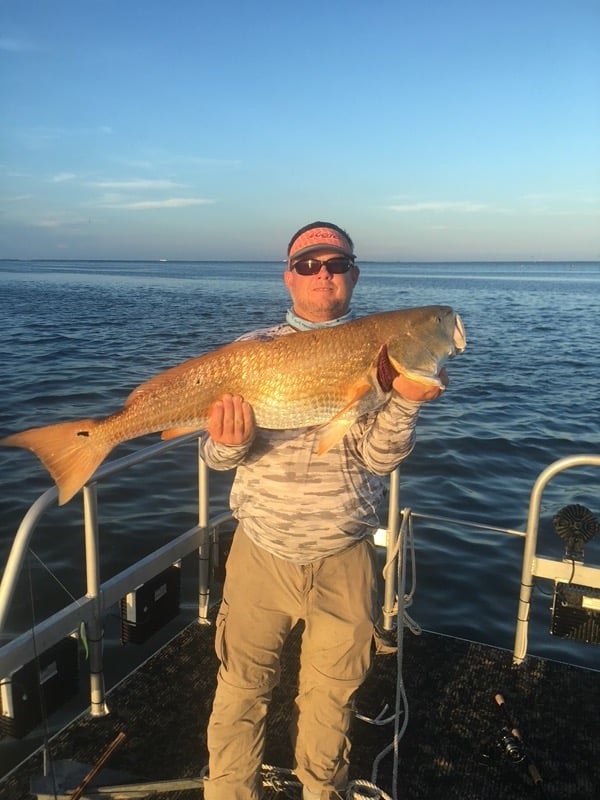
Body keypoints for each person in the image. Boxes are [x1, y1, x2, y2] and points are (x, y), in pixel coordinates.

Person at [200, 221, 447, 800]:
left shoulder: (380, 350)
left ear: (353, 276)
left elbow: (378, 458)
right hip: (261, 551)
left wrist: (405, 406)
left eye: (335, 264)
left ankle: (323, 792)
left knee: (332, 696)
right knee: (240, 690)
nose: (322, 274)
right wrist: (231, 441)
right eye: (308, 264)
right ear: (289, 276)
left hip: (344, 555)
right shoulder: (249, 352)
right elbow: (213, 455)